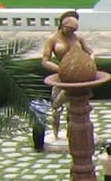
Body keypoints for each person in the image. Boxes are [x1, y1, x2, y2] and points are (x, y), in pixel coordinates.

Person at [39, 10, 93, 138]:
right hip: (62, 77)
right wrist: (61, 69)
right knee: (56, 107)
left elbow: (90, 52)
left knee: (75, 105)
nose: (71, 32)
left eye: (73, 30)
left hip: (78, 77)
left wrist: (90, 64)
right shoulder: (52, 39)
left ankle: (73, 133)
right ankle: (56, 134)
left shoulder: (78, 38)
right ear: (63, 26)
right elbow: (45, 61)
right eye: (69, 29)